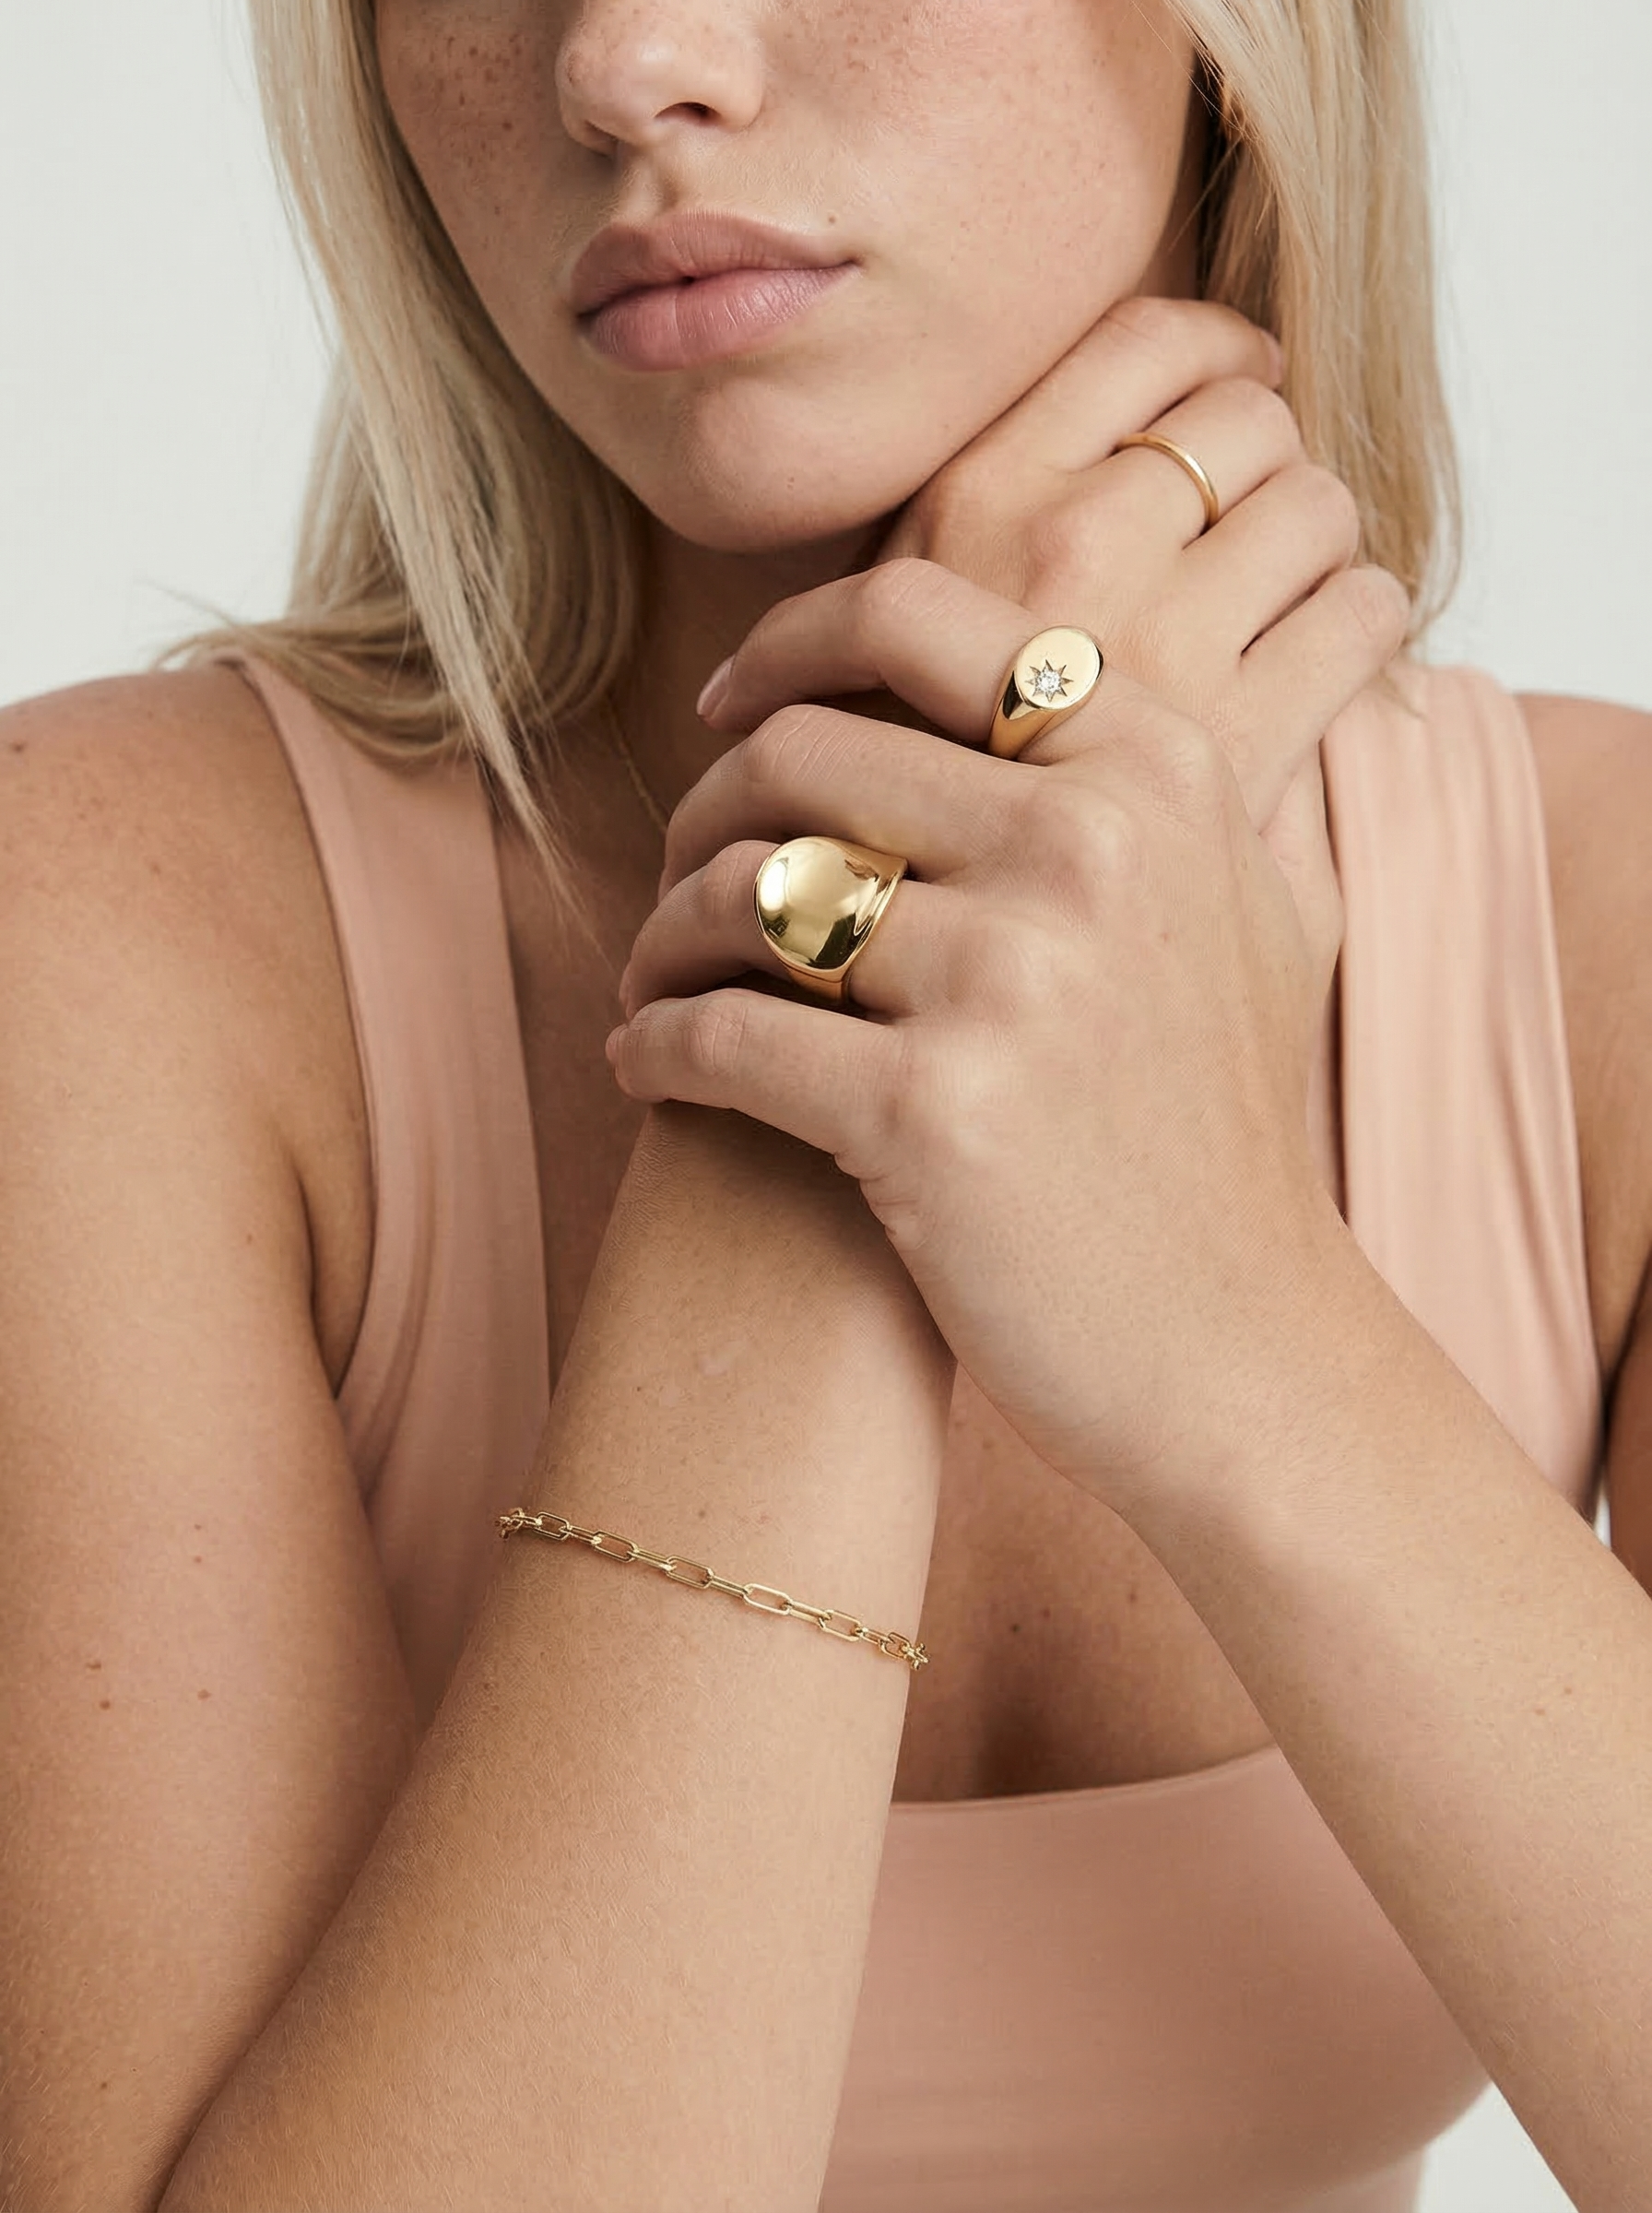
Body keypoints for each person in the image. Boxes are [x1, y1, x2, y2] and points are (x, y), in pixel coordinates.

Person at [2, 0, 1648, 2207]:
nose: (623, 60)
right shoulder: (101, 922)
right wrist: (842, 1003)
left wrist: (1226, 1307)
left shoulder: (1600, 931)